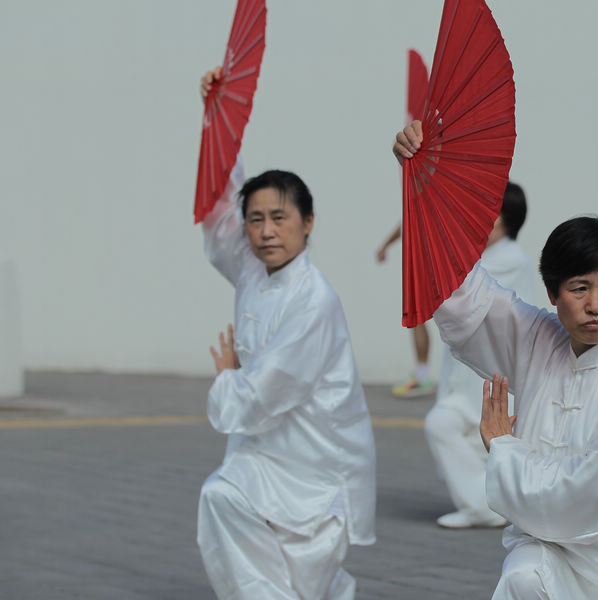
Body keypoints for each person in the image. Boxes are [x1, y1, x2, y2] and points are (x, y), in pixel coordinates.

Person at [392, 122, 598, 599]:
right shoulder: (537, 338)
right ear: (553, 294)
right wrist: (424, 179)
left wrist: (505, 448)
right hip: (548, 550)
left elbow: (590, 493)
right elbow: (463, 293)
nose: (596, 304)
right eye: (579, 288)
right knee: (524, 572)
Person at [196, 68, 376, 600]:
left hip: (316, 468)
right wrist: (217, 115)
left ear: (308, 223)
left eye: (279, 217)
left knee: (305, 581)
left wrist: (229, 380)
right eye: (256, 219)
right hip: (265, 458)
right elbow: (218, 212)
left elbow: (262, 396)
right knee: (222, 499)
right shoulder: (254, 269)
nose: (266, 230)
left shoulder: (312, 301)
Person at [424, 181, 537, 529]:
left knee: (455, 430)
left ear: (502, 220)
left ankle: (483, 505)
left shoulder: (510, 260)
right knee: (447, 428)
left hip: (489, 373)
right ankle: (484, 503)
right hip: (468, 372)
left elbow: (461, 285)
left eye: (486, 213)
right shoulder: (485, 256)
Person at [376, 224, 436, 398]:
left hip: (427, 262)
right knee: (418, 316)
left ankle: (422, 375)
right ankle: (421, 372)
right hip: (428, 261)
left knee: (417, 316)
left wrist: (385, 245)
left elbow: (408, 223)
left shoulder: (425, 198)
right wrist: (386, 245)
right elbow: (406, 223)